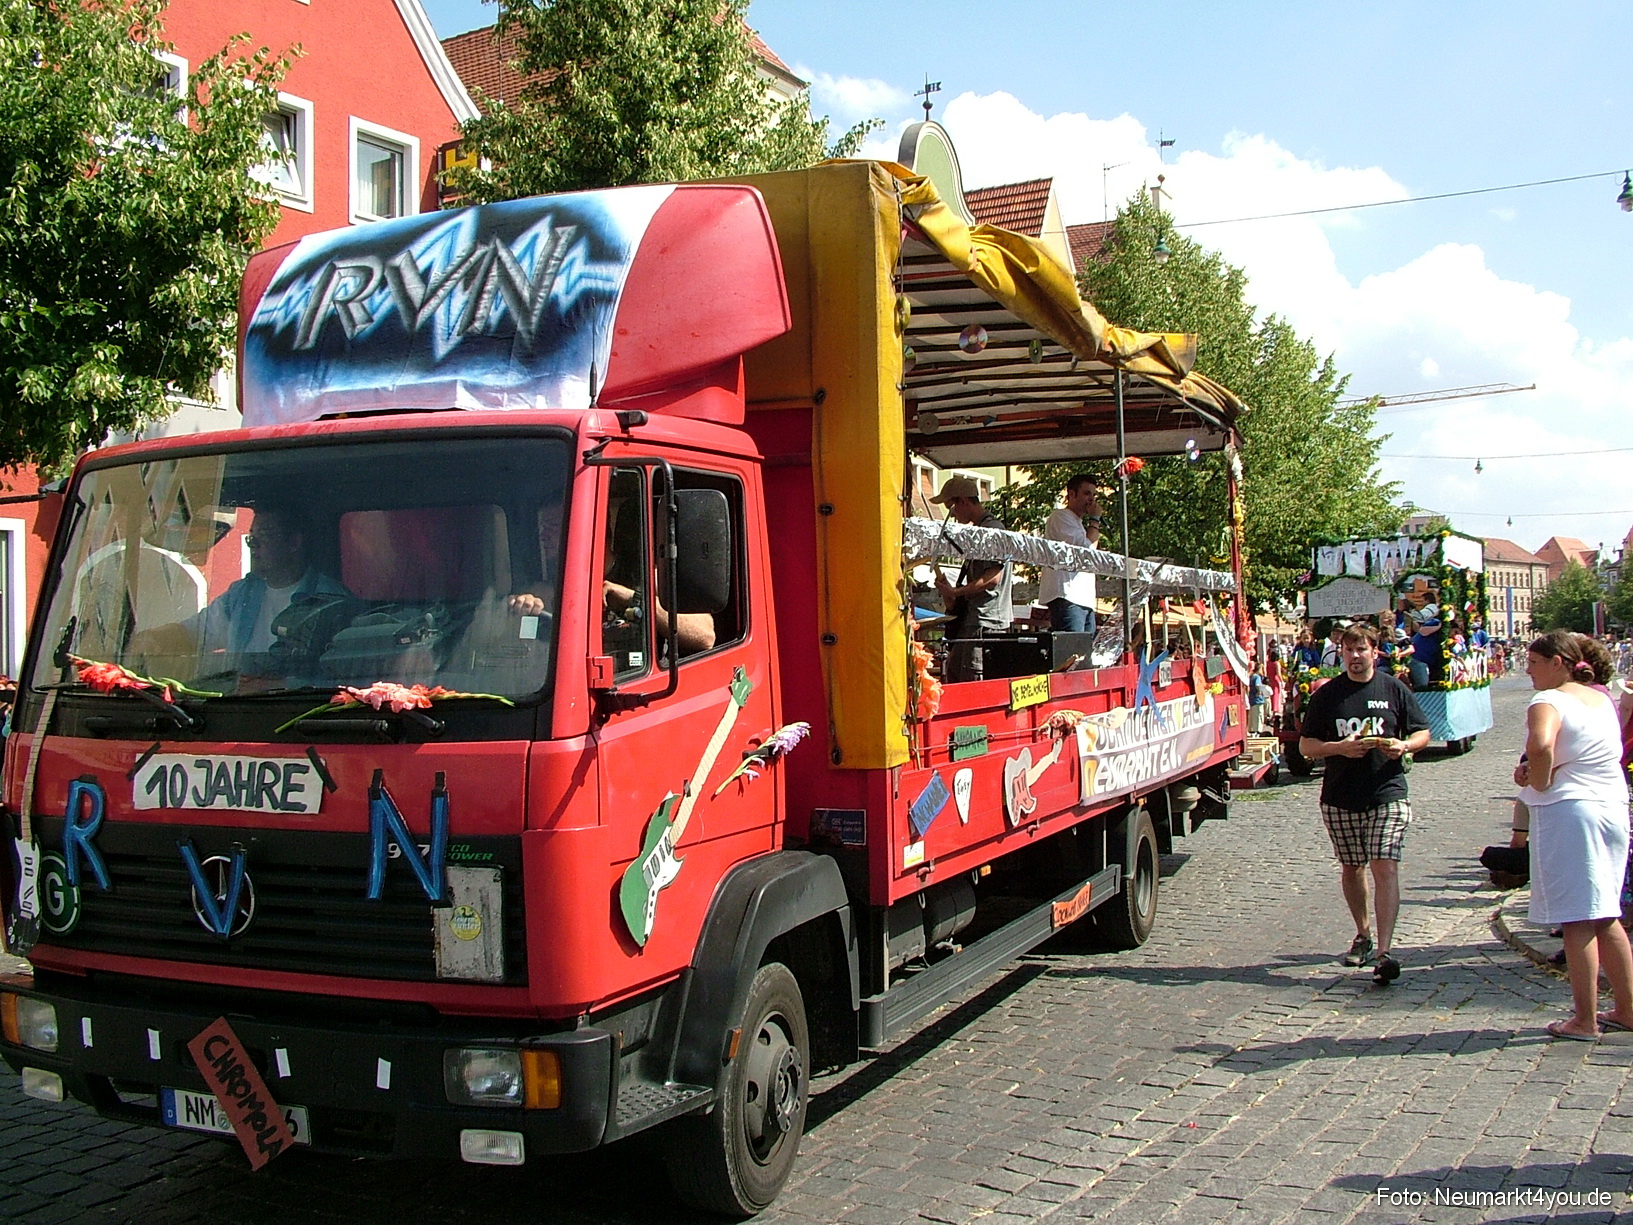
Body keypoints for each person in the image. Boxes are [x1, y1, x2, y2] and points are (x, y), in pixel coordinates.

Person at [1514, 630, 1633, 1040]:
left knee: (1578, 917)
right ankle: (1628, 1009)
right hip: (1611, 807)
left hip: (1572, 812)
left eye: (1533, 663)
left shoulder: (1548, 700)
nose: (1527, 671)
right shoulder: (1600, 697)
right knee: (1605, 913)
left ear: (1558, 662)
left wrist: (1540, 781)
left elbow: (1543, 746)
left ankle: (1585, 1018)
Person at [1298, 623, 1432, 985]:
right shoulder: (1329, 696)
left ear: (1375, 652)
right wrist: (1339, 748)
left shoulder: (1393, 689)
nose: (1355, 657)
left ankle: (1385, 952)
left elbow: (1422, 731)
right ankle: (1364, 933)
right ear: (1341, 654)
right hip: (1340, 795)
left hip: (1386, 790)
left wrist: (1403, 746)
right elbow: (1305, 747)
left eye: (1362, 650)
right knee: (1352, 866)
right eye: (1349, 651)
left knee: (1384, 864)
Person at [930, 476, 1012, 682]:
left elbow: (992, 578)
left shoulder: (990, 530)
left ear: (964, 501)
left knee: (972, 680)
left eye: (951, 508)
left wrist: (957, 592)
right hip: (976, 618)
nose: (952, 515)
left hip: (985, 620)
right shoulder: (980, 530)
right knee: (957, 675)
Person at [1037, 474, 1102, 635]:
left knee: (1084, 653)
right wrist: (1095, 520)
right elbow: (1086, 550)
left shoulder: (1078, 523)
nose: (1091, 500)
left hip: (1083, 598)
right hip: (1067, 596)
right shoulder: (1060, 517)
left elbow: (1090, 552)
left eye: (1094, 495)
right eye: (1087, 494)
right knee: (1072, 652)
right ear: (1071, 494)